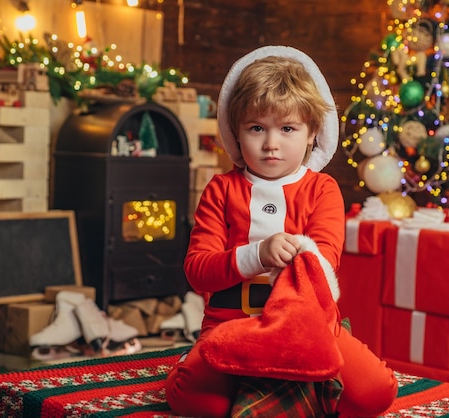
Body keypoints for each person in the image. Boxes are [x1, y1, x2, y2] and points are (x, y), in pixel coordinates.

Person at [165, 45, 397, 417]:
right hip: (231, 324)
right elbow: (197, 270)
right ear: (236, 132)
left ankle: (299, 383)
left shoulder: (322, 189)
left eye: (287, 129)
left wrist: (295, 254)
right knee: (193, 401)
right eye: (257, 128)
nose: (271, 144)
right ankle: (264, 381)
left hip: (310, 324)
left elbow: (325, 265)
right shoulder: (221, 190)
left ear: (311, 133)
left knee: (375, 394)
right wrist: (257, 254)